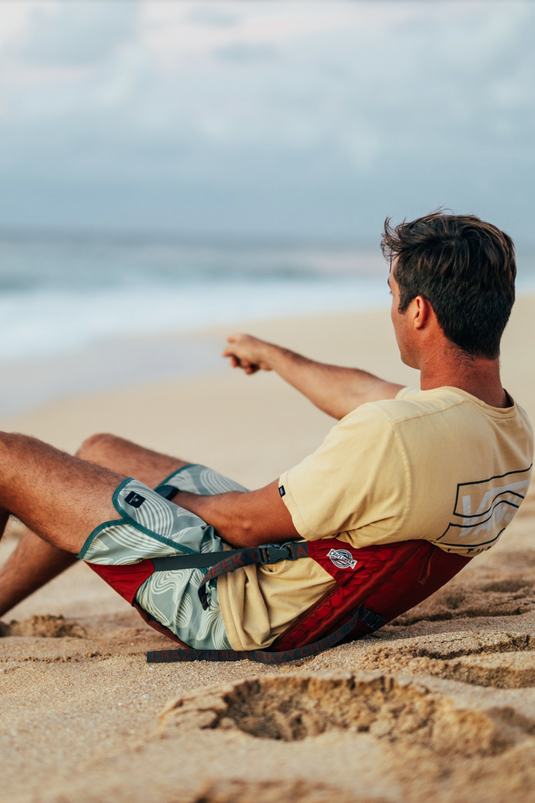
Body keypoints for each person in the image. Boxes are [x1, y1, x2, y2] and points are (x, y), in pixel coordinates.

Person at [0, 211, 532, 653]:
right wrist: (275, 356)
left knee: (8, 455)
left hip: (237, 604)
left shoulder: (393, 435)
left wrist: (143, 497)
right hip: (331, 591)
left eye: (391, 294)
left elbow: (246, 524)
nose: (389, 310)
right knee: (100, 451)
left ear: (418, 311)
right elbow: (361, 391)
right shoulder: (501, 426)